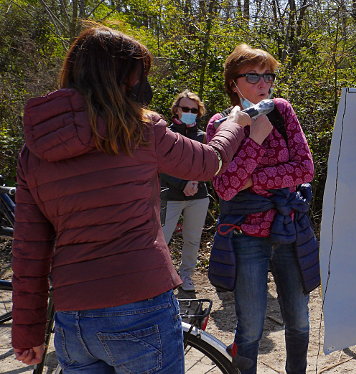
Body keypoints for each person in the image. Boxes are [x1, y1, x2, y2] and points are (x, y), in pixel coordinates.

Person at [11, 24, 250, 372]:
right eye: (140, 76)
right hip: (141, 302)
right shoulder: (139, 130)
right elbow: (207, 162)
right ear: (122, 78)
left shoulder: (33, 152)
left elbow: (29, 248)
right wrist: (234, 123)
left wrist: (27, 331)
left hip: (73, 315)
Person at [205, 44, 317, 374]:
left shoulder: (281, 111)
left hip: (289, 228)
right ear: (233, 82)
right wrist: (254, 139)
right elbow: (225, 188)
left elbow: (305, 168)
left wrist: (251, 180)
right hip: (245, 236)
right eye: (253, 76)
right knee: (251, 327)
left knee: (298, 318)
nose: (263, 83)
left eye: (268, 75)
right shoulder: (220, 125)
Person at [161, 89, 211, 292]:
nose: (189, 112)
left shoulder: (203, 136)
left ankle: (186, 276)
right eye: (185, 108)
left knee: (192, 239)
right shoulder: (165, 134)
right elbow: (160, 167)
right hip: (170, 196)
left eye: (194, 109)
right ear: (176, 110)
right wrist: (183, 184)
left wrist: (194, 182)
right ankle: (162, 278)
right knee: (162, 240)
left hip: (198, 196)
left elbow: (209, 165)